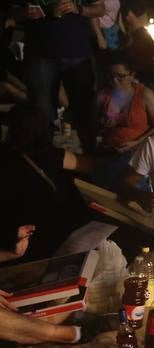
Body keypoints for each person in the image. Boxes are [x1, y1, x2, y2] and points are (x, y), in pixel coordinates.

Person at [9, 0, 105, 152]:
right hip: (40, 54)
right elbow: (13, 11)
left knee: (83, 108)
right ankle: (44, 157)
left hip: (77, 52)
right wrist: (26, 13)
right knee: (42, 111)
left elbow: (99, 8)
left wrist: (77, 9)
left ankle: (90, 155)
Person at [1, 106, 95, 260]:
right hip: (48, 233)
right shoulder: (50, 155)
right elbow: (89, 165)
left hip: (14, 234)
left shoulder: (4, 155)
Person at [92, 58, 154, 188]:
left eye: (120, 76)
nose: (114, 80)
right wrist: (101, 124)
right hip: (110, 149)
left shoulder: (144, 94)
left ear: (132, 76)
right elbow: (94, 125)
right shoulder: (104, 94)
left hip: (136, 151)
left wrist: (136, 142)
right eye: (111, 76)